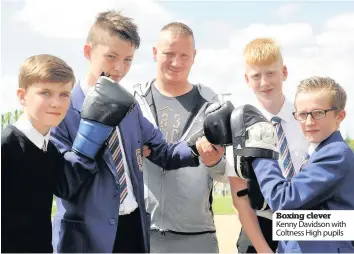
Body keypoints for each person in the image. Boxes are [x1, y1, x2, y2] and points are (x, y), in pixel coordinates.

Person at [50, 11, 222, 253]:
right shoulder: (61, 109)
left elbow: (164, 152)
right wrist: (91, 134)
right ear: (88, 52)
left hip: (132, 231)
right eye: (111, 57)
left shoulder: (130, 106)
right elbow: (63, 184)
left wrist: (198, 145)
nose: (120, 69)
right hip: (86, 237)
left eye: (128, 60)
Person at [134, 22, 227, 253]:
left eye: (184, 55)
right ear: (155, 52)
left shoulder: (213, 106)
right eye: (168, 54)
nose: (176, 63)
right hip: (143, 233)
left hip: (197, 236)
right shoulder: (134, 100)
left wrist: (213, 161)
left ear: (194, 56)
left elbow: (225, 172)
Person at [243, 76, 354, 253]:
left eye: (318, 113)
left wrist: (261, 152)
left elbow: (283, 200)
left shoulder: (335, 154)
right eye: (302, 114)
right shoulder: (316, 153)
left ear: (339, 116)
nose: (309, 122)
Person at [226, 38, 308, 253]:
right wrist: (264, 250)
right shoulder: (239, 125)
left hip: (305, 221)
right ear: (247, 79)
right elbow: (239, 196)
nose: (264, 82)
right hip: (260, 224)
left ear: (284, 72)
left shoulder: (307, 118)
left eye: (271, 73)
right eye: (256, 76)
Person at [1, 54, 78, 253]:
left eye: (64, 94)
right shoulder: (4, 148)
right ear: (22, 96)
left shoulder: (50, 151)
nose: (56, 103)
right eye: (45, 93)